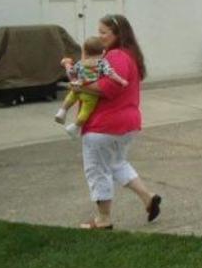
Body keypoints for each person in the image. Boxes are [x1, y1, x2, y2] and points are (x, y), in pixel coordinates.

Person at [69, 14, 161, 230]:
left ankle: (103, 219)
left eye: (103, 32)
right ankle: (148, 198)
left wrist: (78, 86)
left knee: (97, 170)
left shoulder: (116, 56)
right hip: (125, 124)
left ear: (118, 34)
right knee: (117, 164)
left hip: (104, 125)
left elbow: (108, 88)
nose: (99, 36)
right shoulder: (128, 55)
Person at [55, 36, 129, 138]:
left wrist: (67, 64)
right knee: (85, 111)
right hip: (90, 95)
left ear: (85, 52)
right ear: (103, 52)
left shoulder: (81, 63)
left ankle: (62, 111)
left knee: (70, 98)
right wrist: (121, 81)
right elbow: (111, 74)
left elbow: (71, 73)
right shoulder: (102, 63)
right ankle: (75, 126)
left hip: (78, 86)